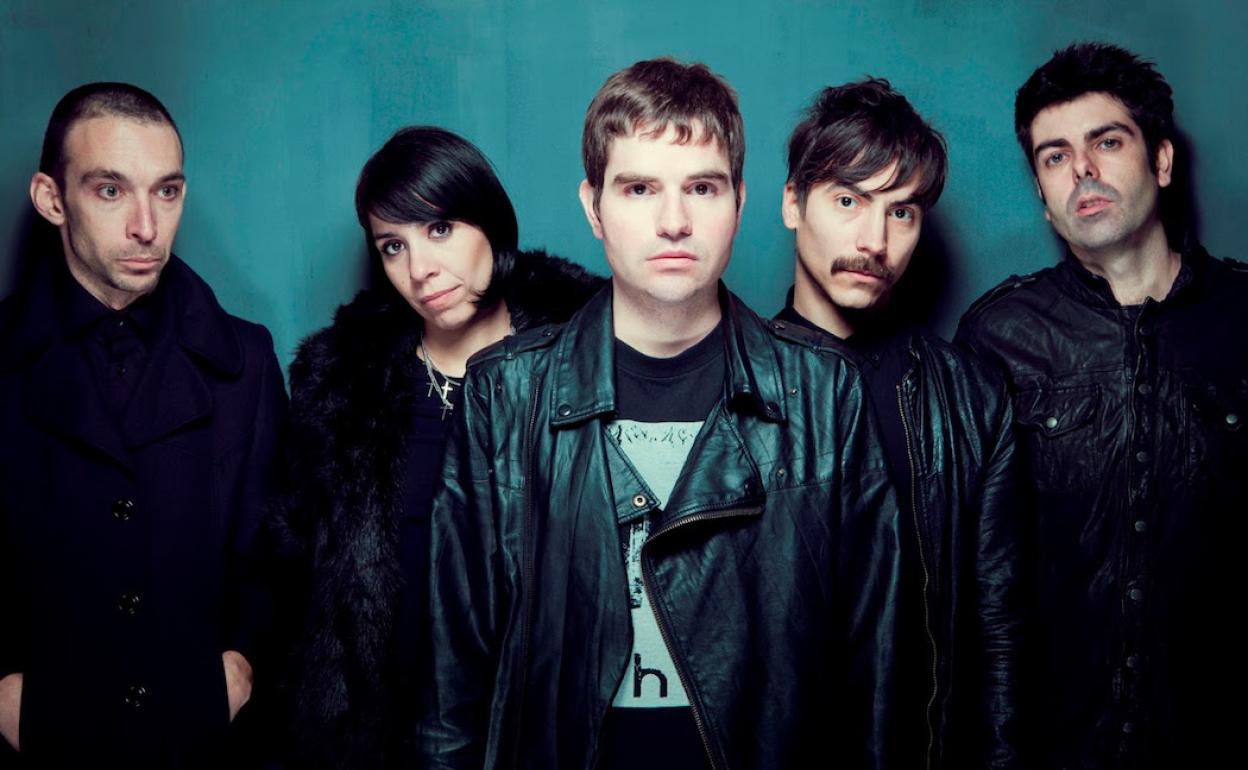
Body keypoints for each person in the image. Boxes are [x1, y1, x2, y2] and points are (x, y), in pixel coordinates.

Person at [418, 57, 900, 770]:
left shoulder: (824, 391)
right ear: (593, 207)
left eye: (701, 188)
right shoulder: (505, 394)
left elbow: (874, 668)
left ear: (739, 201)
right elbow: (454, 676)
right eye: (640, 188)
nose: (674, 222)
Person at [956, 42, 1248, 768]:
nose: (1081, 169)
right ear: (1042, 195)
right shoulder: (999, 337)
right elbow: (976, 588)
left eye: (1107, 142)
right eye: (1054, 156)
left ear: (1162, 161)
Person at [274, 126, 602, 770]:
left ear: (489, 222)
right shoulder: (339, 388)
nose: (419, 269)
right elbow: (296, 579)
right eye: (393, 246)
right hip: (382, 740)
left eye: (441, 229)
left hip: (540, 730)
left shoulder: (585, 357)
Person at [0, 82, 285, 768]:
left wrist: (241, 665)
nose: (146, 226)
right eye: (110, 190)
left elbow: (280, 552)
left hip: (198, 742)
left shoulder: (246, 359)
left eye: (167, 191)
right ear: (51, 199)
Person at [775, 78, 1024, 769]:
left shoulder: (972, 396)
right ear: (793, 203)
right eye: (848, 201)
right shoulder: (730, 384)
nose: (874, 241)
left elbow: (999, 627)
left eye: (902, 212)